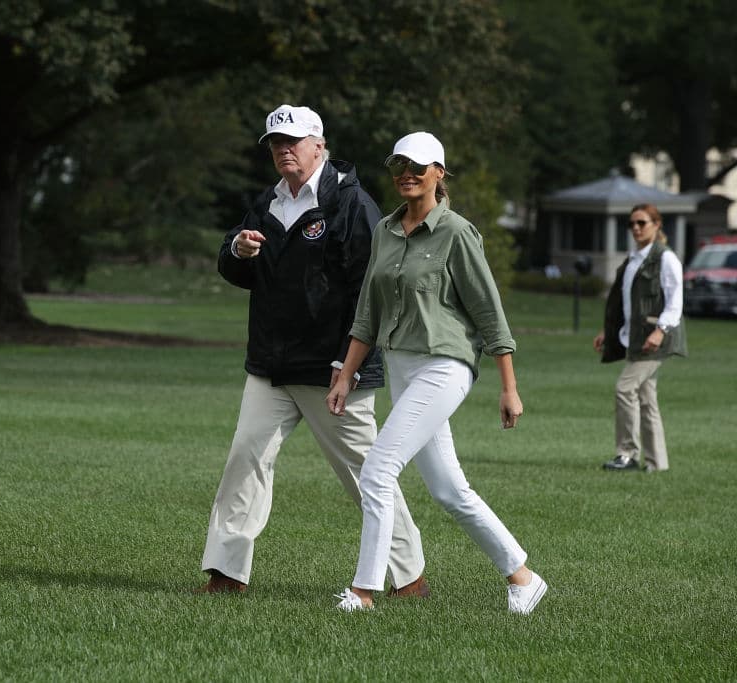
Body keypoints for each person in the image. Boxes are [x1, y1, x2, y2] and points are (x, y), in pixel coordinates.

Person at [196, 105, 430, 599]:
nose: (283, 149)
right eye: (275, 143)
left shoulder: (351, 203)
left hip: (334, 370)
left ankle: (408, 577)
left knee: (366, 475)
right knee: (245, 461)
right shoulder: (267, 201)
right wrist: (237, 250)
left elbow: (372, 292)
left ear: (319, 146)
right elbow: (240, 268)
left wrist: (349, 365)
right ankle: (226, 573)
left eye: (293, 141)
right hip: (271, 365)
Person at [326, 132, 547, 614]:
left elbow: (489, 312)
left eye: (418, 166)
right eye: (399, 165)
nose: (407, 173)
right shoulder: (385, 231)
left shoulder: (458, 232)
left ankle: (363, 592)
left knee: (378, 470)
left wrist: (509, 388)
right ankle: (523, 577)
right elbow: (368, 312)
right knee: (449, 489)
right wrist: (345, 373)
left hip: (446, 365)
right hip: (401, 366)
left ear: (439, 174)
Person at [595, 204, 686, 472]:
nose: (635, 228)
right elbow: (626, 304)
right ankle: (657, 463)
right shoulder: (633, 260)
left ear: (656, 225)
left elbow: (675, 301)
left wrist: (661, 331)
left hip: (655, 340)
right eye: (632, 224)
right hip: (635, 338)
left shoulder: (666, 258)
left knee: (625, 388)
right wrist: (609, 331)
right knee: (647, 400)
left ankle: (627, 455)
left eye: (642, 223)